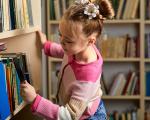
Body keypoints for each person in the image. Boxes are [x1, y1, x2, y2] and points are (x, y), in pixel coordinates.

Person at [20, 0, 114, 119]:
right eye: (60, 35)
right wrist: (46, 46)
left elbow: (69, 115)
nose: (62, 42)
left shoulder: (87, 77)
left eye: (68, 40)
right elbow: (65, 52)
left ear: (90, 41)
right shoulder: (78, 48)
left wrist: (35, 100)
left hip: (86, 116)